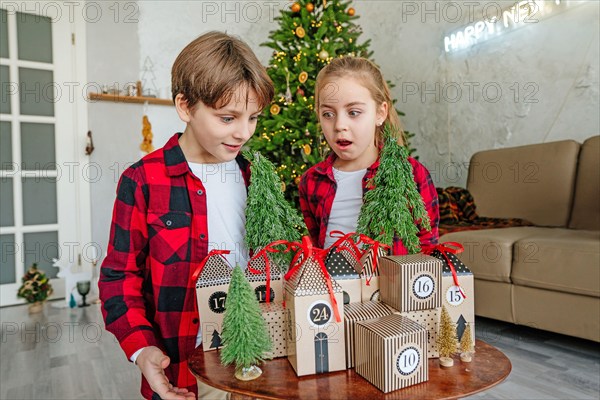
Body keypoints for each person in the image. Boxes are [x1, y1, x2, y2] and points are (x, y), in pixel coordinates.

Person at [99, 31, 274, 400]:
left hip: (260, 359)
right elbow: (119, 277)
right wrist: (141, 348)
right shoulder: (142, 180)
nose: (243, 132)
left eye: (253, 118)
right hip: (187, 370)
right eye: (227, 118)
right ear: (185, 106)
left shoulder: (254, 176)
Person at [298, 56, 439, 253]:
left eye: (354, 112)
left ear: (380, 113)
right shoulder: (311, 181)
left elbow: (427, 246)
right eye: (328, 114)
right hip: (334, 283)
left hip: (393, 283)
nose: (339, 126)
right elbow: (313, 247)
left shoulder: (413, 174)